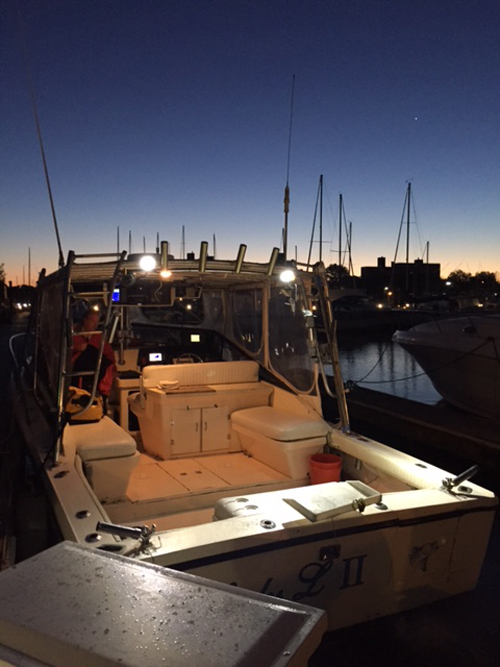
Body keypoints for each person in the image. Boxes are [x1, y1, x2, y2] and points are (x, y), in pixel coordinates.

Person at [72, 309, 116, 400]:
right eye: (92, 321)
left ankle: (102, 395)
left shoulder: (98, 337)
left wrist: (113, 367)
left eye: (97, 322)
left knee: (101, 359)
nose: (95, 325)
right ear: (85, 320)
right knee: (90, 351)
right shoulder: (74, 334)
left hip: (94, 369)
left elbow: (109, 353)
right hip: (76, 367)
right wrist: (77, 348)